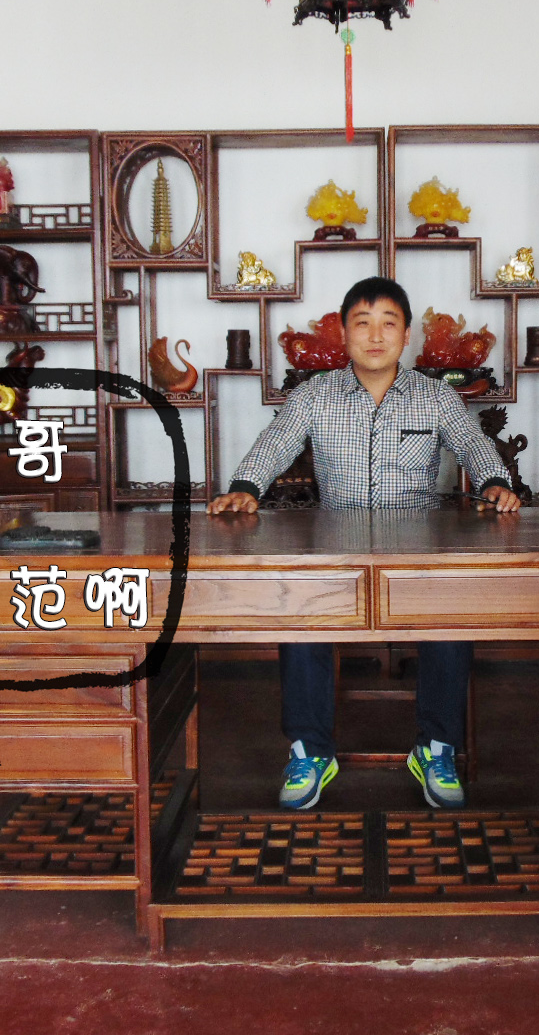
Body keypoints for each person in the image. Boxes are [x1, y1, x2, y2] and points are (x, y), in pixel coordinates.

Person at [207, 276, 521, 811]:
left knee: (453, 614)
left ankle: (436, 748)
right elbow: (274, 443)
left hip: (418, 551)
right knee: (300, 614)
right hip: (337, 550)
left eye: (388, 324)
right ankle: (310, 751)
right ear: (344, 332)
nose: (376, 336)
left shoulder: (436, 396)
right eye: (363, 323)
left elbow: (473, 443)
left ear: (406, 334)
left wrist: (495, 481)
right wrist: (244, 487)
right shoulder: (315, 394)